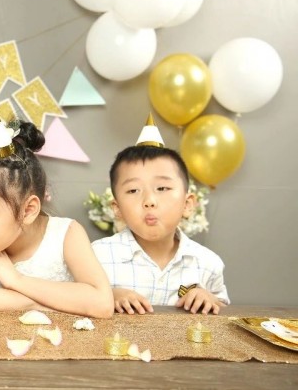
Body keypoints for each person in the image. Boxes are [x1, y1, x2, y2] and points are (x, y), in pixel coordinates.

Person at [0, 108, 114, 317]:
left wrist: (17, 280)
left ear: (28, 210)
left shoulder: (67, 234)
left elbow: (101, 303)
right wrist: (33, 303)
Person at [92, 114, 229, 315]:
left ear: (187, 204)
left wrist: (209, 299)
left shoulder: (207, 262)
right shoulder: (96, 256)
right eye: (133, 190)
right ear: (117, 208)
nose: (149, 200)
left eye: (162, 188)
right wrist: (107, 296)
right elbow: (74, 303)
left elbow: (224, 313)